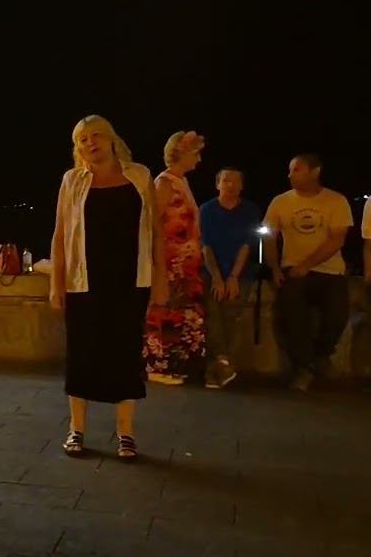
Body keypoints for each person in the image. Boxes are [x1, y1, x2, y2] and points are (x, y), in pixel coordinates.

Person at [50, 115, 168, 461]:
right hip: (83, 281)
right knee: (81, 354)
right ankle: (76, 429)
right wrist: (56, 284)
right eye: (83, 139)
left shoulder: (140, 176)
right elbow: (60, 235)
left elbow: (155, 232)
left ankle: (126, 433)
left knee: (125, 354)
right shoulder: (72, 181)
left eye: (96, 135)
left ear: (112, 139)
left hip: (130, 280)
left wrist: (161, 279)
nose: (91, 143)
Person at [263, 153, 353, 391]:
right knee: (292, 316)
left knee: (337, 316)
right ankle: (303, 367)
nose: (290, 175)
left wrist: (307, 265)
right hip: (293, 269)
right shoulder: (280, 202)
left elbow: (337, 239)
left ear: (315, 172)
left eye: (297, 170)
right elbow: (268, 237)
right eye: (290, 170)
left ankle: (321, 356)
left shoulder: (336, 200)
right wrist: (274, 268)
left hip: (330, 270)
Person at [144, 131, 208, 385]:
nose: (199, 159)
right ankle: (157, 365)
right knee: (164, 311)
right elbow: (152, 223)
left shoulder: (181, 182)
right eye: (196, 153)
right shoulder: (165, 183)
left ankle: (177, 364)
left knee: (182, 314)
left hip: (185, 266)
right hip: (170, 263)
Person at [199, 167, 262, 388]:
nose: (231, 185)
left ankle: (218, 367)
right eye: (226, 181)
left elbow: (246, 245)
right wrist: (217, 277)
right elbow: (206, 246)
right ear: (218, 184)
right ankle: (222, 364)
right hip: (211, 269)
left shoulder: (250, 211)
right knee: (212, 315)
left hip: (240, 271)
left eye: (236, 181)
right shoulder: (207, 210)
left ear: (242, 186)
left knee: (232, 314)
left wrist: (233, 276)